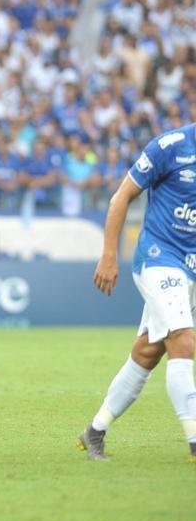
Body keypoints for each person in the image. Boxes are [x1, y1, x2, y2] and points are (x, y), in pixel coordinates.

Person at [81, 123, 196, 462]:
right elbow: (121, 197)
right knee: (183, 341)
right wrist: (109, 254)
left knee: (148, 351)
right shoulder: (170, 146)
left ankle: (95, 430)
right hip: (159, 258)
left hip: (190, 267)